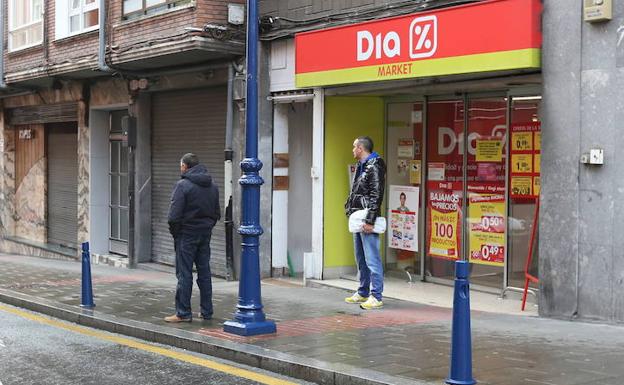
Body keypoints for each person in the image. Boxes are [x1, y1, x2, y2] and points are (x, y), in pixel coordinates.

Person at [164, 153, 220, 323]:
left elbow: (173, 216)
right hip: (205, 234)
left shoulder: (183, 185)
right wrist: (206, 227)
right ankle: (206, 311)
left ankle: (183, 313)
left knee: (184, 273)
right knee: (204, 272)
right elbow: (216, 213)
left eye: (181, 165)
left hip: (186, 235)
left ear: (185, 166)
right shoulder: (213, 185)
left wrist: (177, 234)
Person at [344, 136, 386, 310]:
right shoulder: (362, 166)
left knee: (372, 259)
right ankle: (362, 291)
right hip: (358, 217)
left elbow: (377, 194)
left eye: (354, 147)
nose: (352, 150)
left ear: (361, 148)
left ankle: (376, 296)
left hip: (366, 219)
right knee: (361, 258)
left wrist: (370, 220)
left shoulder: (374, 165)